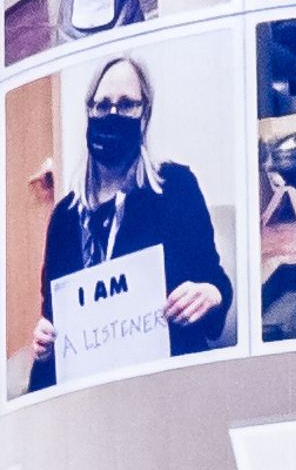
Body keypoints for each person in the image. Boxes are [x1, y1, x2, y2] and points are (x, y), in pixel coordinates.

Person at [27, 50, 233, 385]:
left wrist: (211, 293)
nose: (112, 114)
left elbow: (214, 279)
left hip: (166, 382)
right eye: (102, 104)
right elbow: (52, 317)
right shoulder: (64, 218)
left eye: (126, 105)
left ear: (144, 113)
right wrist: (45, 342)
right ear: (89, 112)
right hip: (88, 393)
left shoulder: (176, 187)